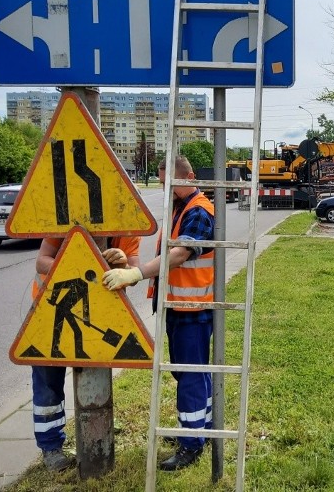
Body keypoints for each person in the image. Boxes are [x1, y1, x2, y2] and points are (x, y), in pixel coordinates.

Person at [102, 155, 215, 472]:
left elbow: (180, 254)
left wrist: (137, 275)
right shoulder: (180, 207)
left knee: (190, 374)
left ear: (189, 177)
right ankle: (198, 430)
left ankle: (191, 444)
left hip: (192, 307)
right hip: (178, 305)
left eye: (172, 184)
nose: (167, 190)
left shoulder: (198, 210)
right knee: (189, 373)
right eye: (164, 184)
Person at [30, 235, 140, 472]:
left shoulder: (128, 223)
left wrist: (122, 266)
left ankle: (97, 432)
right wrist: (83, 263)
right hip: (49, 308)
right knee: (47, 382)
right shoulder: (71, 214)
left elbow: (134, 273)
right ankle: (50, 447)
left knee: (90, 366)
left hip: (94, 313)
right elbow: (42, 261)